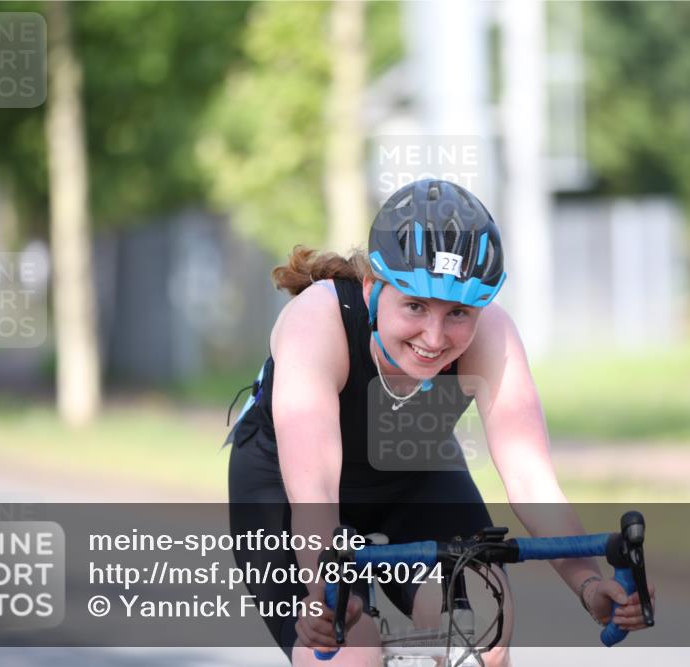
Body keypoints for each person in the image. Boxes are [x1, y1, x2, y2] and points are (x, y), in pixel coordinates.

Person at [226, 179, 654, 666]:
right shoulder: (318, 320)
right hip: (287, 486)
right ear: (373, 287)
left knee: (485, 639)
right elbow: (316, 493)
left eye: (458, 313)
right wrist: (321, 597)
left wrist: (589, 584)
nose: (434, 337)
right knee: (348, 653)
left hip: (412, 470)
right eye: (414, 305)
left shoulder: (491, 334)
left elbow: (531, 476)